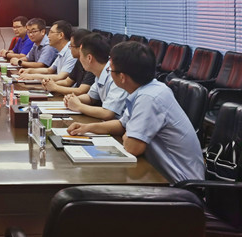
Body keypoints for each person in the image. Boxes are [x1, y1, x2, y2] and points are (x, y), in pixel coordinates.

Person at [68, 41, 205, 184]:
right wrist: (87, 128)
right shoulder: (145, 89)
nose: (108, 72)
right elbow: (122, 125)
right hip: (158, 174)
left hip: (179, 184)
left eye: (110, 70)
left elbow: (132, 147)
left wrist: (128, 133)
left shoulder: (149, 97)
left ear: (122, 77)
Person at [63, 32, 127, 120]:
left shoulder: (115, 75)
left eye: (80, 55)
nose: (79, 59)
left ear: (89, 58)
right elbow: (91, 97)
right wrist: (74, 99)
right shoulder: (99, 72)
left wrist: (79, 106)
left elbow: (108, 113)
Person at [42, 28, 95, 96]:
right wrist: (50, 84)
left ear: (80, 48)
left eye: (71, 46)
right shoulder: (79, 60)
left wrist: (55, 87)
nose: (70, 49)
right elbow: (68, 82)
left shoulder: (92, 64)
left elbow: (81, 91)